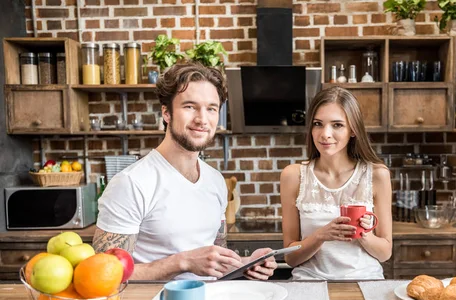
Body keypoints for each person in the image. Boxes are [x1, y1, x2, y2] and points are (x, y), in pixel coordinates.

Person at [93, 62, 276, 281]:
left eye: (211, 108)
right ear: (166, 113)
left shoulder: (216, 181)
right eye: (190, 106)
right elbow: (104, 273)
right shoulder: (132, 183)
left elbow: (214, 262)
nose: (202, 119)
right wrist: (183, 262)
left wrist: (246, 264)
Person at [279, 86, 392, 280]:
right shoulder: (293, 175)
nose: (325, 134)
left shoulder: (377, 175)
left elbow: (385, 253)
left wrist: (365, 235)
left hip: (365, 281)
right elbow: (290, 258)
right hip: (309, 283)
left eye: (337, 125)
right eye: (318, 124)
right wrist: (320, 235)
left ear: (353, 130)